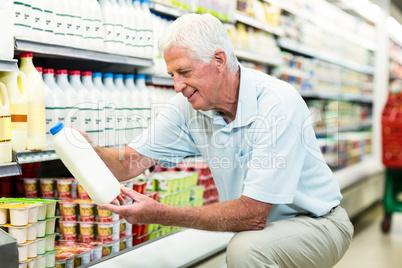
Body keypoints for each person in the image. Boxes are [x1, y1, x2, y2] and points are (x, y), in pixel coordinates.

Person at [85, 13, 353, 267]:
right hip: (264, 229)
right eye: (172, 76)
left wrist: (162, 214)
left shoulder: (277, 103)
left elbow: (252, 214)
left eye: (184, 72)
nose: (177, 86)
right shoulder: (187, 106)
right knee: (249, 245)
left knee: (246, 249)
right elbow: (128, 164)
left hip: (318, 222)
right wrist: (87, 151)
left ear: (219, 60)